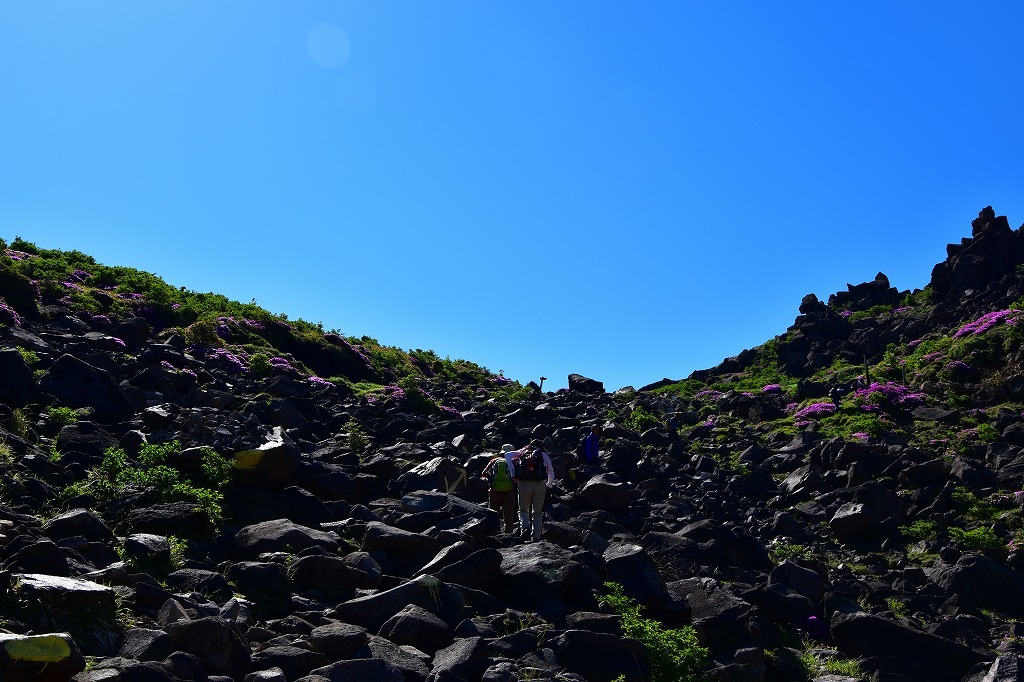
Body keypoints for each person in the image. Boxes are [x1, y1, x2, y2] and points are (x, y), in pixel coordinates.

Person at [512, 439, 555, 543]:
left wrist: (514, 476)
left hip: (524, 483)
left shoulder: (522, 452)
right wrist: (548, 485)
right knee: (538, 513)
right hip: (540, 484)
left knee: (523, 510)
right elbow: (552, 474)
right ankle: (536, 537)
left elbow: (508, 456)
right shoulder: (544, 455)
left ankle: (525, 528)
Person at [481, 444, 517, 534]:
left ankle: (493, 534)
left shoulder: (493, 461)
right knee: (508, 517)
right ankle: (509, 536)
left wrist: (492, 479)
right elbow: (517, 476)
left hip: (494, 492)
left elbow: (484, 473)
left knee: (493, 515)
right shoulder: (514, 462)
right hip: (509, 493)